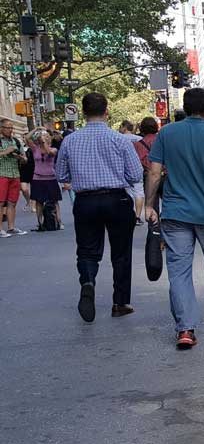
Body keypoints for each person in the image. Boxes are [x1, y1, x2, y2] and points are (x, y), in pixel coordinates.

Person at [145, 88, 204, 350]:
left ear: (184, 108)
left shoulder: (167, 133)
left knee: (179, 272)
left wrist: (150, 205)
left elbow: (154, 172)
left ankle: (185, 328)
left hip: (175, 214)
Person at [55, 93, 143, 321]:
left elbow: (61, 174)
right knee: (121, 253)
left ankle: (88, 281)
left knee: (87, 250)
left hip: (85, 200)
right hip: (117, 199)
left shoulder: (70, 140)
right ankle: (120, 302)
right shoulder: (120, 140)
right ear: (107, 112)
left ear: (83, 113)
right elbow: (135, 174)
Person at [28, 129, 63, 231]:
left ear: (49, 139)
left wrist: (44, 143)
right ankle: (40, 223)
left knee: (54, 201)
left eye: (45, 136)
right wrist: (36, 129)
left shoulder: (54, 149)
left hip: (50, 178)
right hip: (37, 178)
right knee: (39, 201)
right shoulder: (35, 149)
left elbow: (49, 152)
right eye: (42, 137)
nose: (43, 138)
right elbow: (27, 138)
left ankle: (59, 222)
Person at [0, 119, 29, 237]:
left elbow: (25, 159)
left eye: (11, 127)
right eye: (7, 127)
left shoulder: (16, 141)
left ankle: (11, 228)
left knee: (12, 202)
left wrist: (22, 158)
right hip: (2, 174)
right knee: (1, 202)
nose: (10, 130)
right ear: (1, 128)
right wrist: (6, 152)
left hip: (15, 174)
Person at [118, 119, 147, 223]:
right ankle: (138, 216)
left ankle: (129, 214)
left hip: (122, 169)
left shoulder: (119, 138)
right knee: (139, 192)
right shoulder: (139, 139)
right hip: (138, 167)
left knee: (127, 192)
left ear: (124, 127)